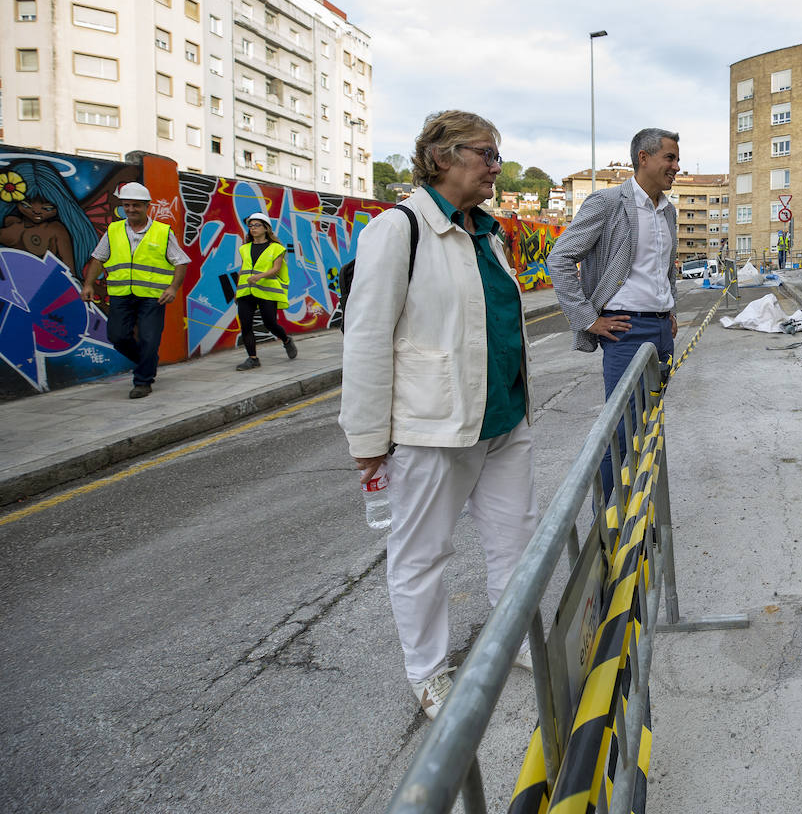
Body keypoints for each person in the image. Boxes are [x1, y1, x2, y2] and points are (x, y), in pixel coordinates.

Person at [338, 110, 539, 721]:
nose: (496, 166)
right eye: (486, 154)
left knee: (516, 538)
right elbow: (367, 336)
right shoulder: (399, 230)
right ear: (444, 157)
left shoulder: (488, 231)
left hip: (504, 418)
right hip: (433, 424)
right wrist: (368, 437)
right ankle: (426, 670)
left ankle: (518, 637)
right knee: (422, 553)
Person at [547, 129, 680, 493]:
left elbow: (664, 267)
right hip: (625, 331)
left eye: (676, 159)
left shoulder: (668, 211)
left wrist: (668, 307)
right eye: (670, 158)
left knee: (648, 426)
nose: (676, 167)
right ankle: (607, 530)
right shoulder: (607, 203)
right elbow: (559, 258)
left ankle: (638, 516)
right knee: (619, 430)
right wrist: (588, 318)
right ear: (644, 157)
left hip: (661, 331)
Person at [81, 182, 189, 399]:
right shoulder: (114, 230)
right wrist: (89, 284)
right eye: (127, 205)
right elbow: (98, 258)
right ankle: (147, 361)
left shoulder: (162, 231)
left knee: (150, 339)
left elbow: (181, 261)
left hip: (153, 297)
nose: (131, 209)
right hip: (121, 294)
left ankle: (142, 381)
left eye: (136, 205)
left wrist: (173, 288)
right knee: (118, 337)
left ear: (147, 206)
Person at [233, 211, 297, 370]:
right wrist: (237, 291)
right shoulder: (244, 248)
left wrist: (259, 276)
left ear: (266, 228)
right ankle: (253, 359)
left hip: (267, 291)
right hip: (246, 291)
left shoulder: (277, 248)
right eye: (250, 225)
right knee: (246, 326)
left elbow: (276, 269)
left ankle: (286, 340)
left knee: (270, 323)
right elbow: (242, 270)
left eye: (257, 225)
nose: (253, 228)